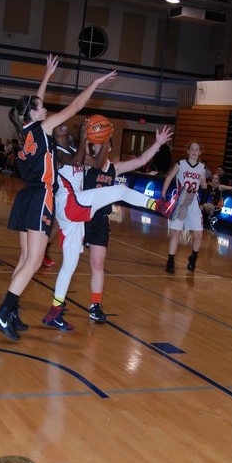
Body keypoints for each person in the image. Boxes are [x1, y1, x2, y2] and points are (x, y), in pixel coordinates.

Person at [0, 55, 118, 341]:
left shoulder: (24, 133)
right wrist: (95, 83)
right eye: (42, 108)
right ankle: (3, 311)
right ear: (33, 114)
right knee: (34, 261)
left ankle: (12, 311)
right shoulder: (42, 128)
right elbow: (76, 106)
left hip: (24, 197)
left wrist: (47, 75)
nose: (45, 108)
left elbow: (35, 102)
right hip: (40, 197)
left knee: (24, 258)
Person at [42, 123, 168, 331]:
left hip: (81, 215)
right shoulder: (62, 153)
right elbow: (77, 160)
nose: (63, 124)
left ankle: (54, 310)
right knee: (119, 190)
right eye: (58, 126)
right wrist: (85, 137)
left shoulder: (86, 156)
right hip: (72, 204)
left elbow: (132, 161)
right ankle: (157, 205)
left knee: (70, 264)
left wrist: (157, 143)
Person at [84, 125, 174, 323]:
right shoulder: (85, 164)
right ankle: (57, 303)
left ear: (108, 148)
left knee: (98, 263)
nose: (100, 147)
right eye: (97, 143)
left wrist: (158, 144)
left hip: (100, 221)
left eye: (104, 144)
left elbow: (141, 160)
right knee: (70, 262)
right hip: (81, 218)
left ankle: (95, 305)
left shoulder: (114, 168)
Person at [161, 142, 207, 274]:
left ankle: (193, 258)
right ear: (188, 151)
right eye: (192, 149)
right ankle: (170, 261)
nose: (194, 151)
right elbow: (169, 177)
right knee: (176, 232)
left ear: (200, 152)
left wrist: (205, 182)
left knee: (198, 235)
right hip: (180, 201)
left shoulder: (202, 168)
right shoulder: (180, 164)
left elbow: (203, 186)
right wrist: (163, 193)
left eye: (196, 149)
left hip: (193, 202)